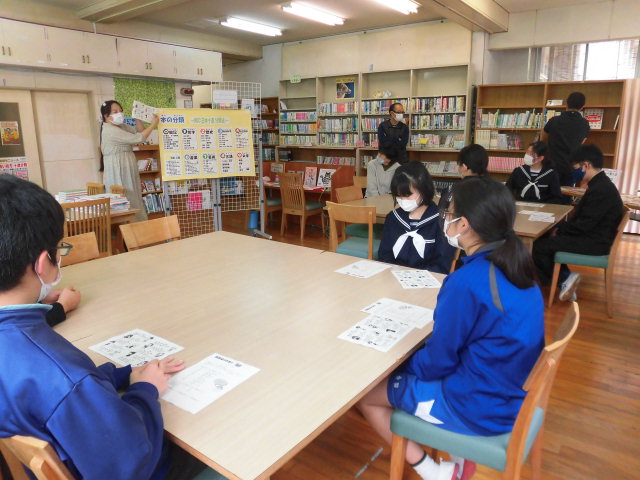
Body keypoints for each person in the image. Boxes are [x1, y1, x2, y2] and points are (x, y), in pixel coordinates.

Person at [0, 176, 221, 480]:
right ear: (43, 264)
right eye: (59, 250)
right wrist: (146, 389)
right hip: (130, 470)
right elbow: (130, 463)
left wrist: (119, 375)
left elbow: (63, 393)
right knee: (220, 438)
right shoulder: (60, 371)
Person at [359, 176, 544, 480]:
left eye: (450, 213)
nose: (446, 218)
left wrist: (401, 364)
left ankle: (434, 472)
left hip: (476, 407)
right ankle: (459, 456)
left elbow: (436, 364)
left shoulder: (466, 282)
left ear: (465, 224)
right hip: (507, 391)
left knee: (367, 394)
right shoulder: (519, 265)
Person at [532, 144, 623, 301]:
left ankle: (564, 279)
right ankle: (566, 277)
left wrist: (560, 230)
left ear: (585, 165)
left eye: (576, 168)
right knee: (544, 239)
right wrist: (560, 229)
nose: (574, 173)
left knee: (539, 246)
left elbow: (584, 224)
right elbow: (584, 220)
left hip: (595, 242)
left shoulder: (601, 190)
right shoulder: (600, 184)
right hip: (593, 236)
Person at [378, 161, 455, 274]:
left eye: (407, 195)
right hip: (394, 277)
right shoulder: (393, 218)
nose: (402, 200)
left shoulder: (441, 221)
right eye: (398, 195)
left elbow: (442, 264)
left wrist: (415, 277)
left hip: (427, 280)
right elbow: (384, 255)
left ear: (423, 190)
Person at [100, 100, 159, 222]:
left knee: (134, 196)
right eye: (115, 111)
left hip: (127, 166)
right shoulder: (110, 131)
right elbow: (139, 138)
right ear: (106, 116)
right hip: (118, 169)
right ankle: (132, 231)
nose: (119, 113)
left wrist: (137, 117)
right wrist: (154, 124)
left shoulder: (120, 126)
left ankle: (140, 227)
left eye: (121, 111)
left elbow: (140, 130)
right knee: (126, 199)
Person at [542, 91, 590, 187]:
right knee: (565, 195)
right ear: (582, 107)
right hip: (570, 167)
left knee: (548, 193)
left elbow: (543, 138)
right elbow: (581, 143)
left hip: (551, 165)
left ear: (566, 103)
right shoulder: (585, 124)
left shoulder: (554, 120)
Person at [438, 143, 488, 212]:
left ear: (465, 167)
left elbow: (441, 215)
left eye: (459, 165)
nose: (458, 169)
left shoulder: (452, 190)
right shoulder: (497, 189)